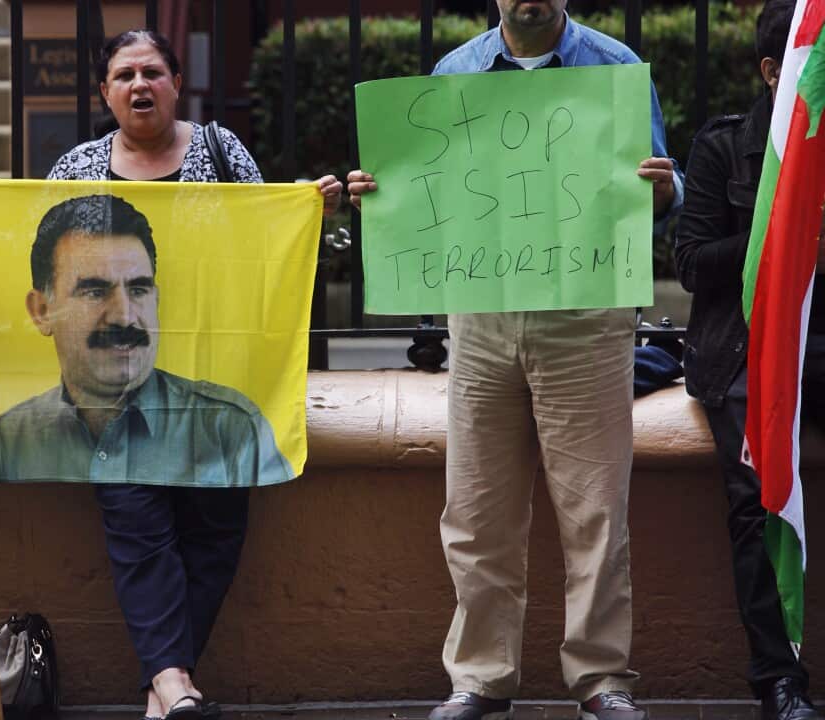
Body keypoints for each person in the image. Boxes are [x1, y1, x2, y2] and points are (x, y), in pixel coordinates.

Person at [347, 0, 684, 718]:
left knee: (596, 509)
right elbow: (430, 192)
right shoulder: (455, 71)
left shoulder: (616, 67)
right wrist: (380, 197)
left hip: (586, 314)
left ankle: (601, 680)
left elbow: (664, 187)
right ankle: (480, 679)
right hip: (483, 316)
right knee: (477, 509)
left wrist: (663, 189)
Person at [46, 29, 340, 720]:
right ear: (105, 92)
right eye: (124, 75)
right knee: (136, 527)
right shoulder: (77, 167)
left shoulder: (219, 150)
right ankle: (174, 686)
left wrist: (304, 212)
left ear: (177, 83)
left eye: (152, 72)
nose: (139, 85)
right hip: (115, 384)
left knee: (214, 532)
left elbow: (263, 240)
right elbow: (36, 250)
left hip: (217, 376)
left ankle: (165, 691)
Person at [674, 1, 825, 717]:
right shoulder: (725, 145)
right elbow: (691, 262)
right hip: (745, 349)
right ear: (774, 71)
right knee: (756, 495)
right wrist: (779, 235)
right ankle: (779, 679)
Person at [0, 193, 293, 485]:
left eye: (138, 290)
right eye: (95, 291)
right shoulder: (10, 442)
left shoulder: (231, 429)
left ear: (156, 299)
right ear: (42, 311)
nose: (124, 317)